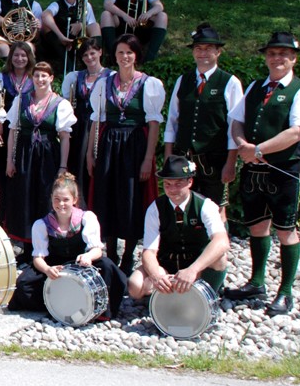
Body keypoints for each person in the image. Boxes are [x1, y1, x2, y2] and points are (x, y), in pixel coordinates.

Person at [226, 31, 300, 316]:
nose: (277, 58)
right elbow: (236, 121)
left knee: (286, 229)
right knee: (256, 225)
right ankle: (256, 283)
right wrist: (243, 145)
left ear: (293, 59)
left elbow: (296, 131)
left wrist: (258, 150)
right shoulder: (256, 86)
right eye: (272, 53)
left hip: (283, 170)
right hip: (254, 170)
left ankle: (286, 292)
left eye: (283, 54)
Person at [86, 33, 165, 275]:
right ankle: (111, 253)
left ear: (136, 55)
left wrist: (148, 159)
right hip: (109, 146)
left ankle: (129, 255)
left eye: (129, 52)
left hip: (134, 147)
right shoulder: (104, 83)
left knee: (132, 198)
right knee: (107, 196)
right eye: (120, 52)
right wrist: (90, 153)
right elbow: (96, 120)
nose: (124, 57)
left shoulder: (149, 84)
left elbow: (153, 124)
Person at [8, 173, 126, 321]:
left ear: (75, 200)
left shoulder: (86, 218)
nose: (61, 204)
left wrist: (88, 256)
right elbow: (38, 258)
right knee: (23, 285)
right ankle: (56, 305)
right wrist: (47, 269)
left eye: (66, 200)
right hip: (54, 265)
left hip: (80, 264)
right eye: (57, 199)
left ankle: (98, 309)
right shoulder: (42, 224)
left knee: (107, 267)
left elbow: (97, 250)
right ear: (51, 198)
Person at [163, 23, 243, 218]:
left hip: (215, 159)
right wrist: (168, 156)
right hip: (184, 157)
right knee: (185, 207)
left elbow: (235, 126)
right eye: (199, 48)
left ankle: (219, 239)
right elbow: (172, 121)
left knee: (217, 210)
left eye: (208, 48)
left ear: (218, 52)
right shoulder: (183, 80)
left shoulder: (230, 82)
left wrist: (231, 162)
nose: (203, 53)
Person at [128, 156, 229, 300]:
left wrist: (193, 270)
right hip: (166, 264)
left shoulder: (205, 205)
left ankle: (207, 297)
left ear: (190, 182)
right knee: (135, 285)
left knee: (220, 258)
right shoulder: (155, 208)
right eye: (168, 184)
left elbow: (222, 241)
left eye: (178, 183)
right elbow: (149, 251)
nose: (172, 189)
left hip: (197, 265)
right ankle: (161, 299)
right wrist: (156, 275)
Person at [4, 62, 76, 259]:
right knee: (24, 197)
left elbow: (65, 137)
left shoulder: (60, 104)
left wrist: (62, 165)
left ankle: (47, 248)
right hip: (25, 155)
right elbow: (12, 131)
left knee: (45, 197)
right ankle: (27, 248)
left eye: (44, 76)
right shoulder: (21, 100)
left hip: (48, 155)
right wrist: (10, 160)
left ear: (51, 78)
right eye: (36, 76)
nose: (40, 79)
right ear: (32, 78)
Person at [59, 38, 112, 203]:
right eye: (85, 55)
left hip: (100, 126)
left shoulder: (111, 76)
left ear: (100, 52)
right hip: (79, 128)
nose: (89, 57)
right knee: (78, 166)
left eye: (92, 53)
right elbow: (66, 103)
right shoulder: (75, 77)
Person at [0, 41, 35, 192]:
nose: (19, 59)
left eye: (23, 55)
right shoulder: (0, 78)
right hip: (5, 130)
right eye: (16, 55)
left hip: (27, 130)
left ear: (29, 57)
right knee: (2, 168)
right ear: (10, 57)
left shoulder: (35, 78)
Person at [39, 0, 102, 77]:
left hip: (79, 41)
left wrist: (81, 25)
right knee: (46, 25)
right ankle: (68, 64)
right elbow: (45, 15)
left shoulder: (86, 5)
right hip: (60, 41)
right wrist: (61, 36)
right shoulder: (57, 4)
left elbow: (91, 24)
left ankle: (96, 60)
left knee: (95, 26)